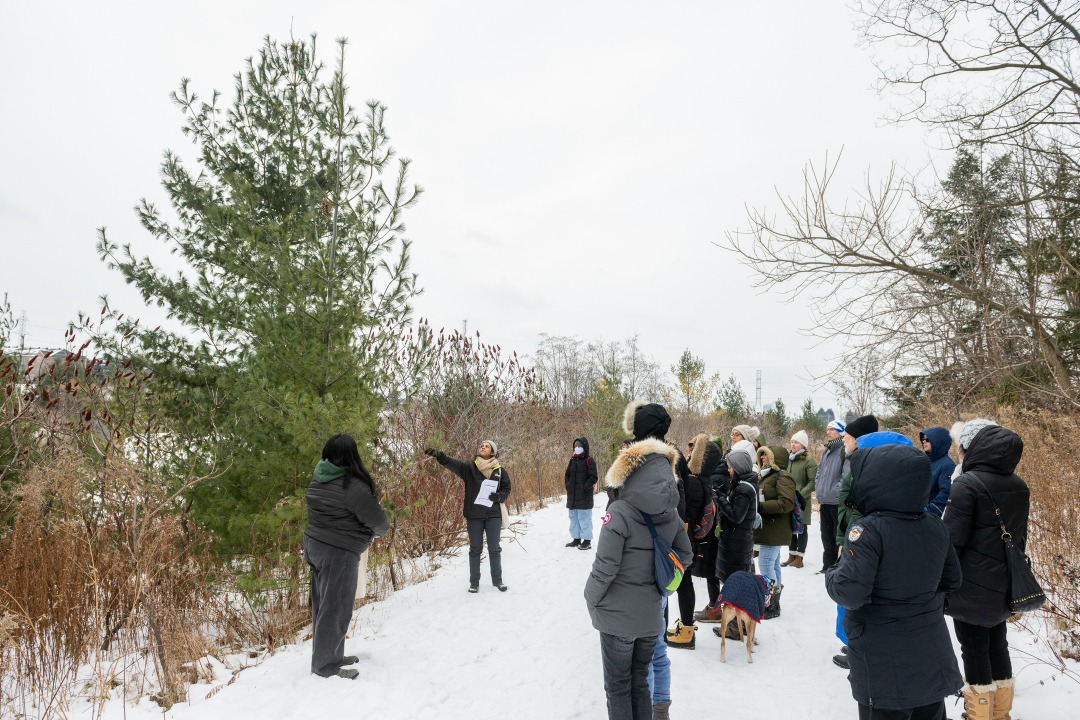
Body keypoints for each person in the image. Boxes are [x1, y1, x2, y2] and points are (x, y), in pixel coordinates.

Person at [826, 442, 963, 719]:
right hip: (930, 654)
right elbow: (953, 579)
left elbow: (849, 592)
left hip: (884, 660)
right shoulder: (934, 524)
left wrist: (832, 572)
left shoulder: (868, 530)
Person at [585, 400, 691, 720]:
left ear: (627, 474)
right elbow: (684, 554)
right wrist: (664, 588)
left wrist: (591, 599)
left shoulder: (619, 512)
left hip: (617, 617)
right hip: (650, 615)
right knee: (641, 685)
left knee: (618, 687)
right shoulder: (669, 512)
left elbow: (605, 566)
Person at [943, 420, 1029, 720]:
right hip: (1003, 581)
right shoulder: (1018, 484)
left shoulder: (966, 484)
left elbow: (950, 542)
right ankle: (1001, 713)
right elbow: (1020, 539)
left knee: (973, 648)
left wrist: (940, 581)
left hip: (970, 584)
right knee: (997, 644)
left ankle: (979, 715)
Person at [304, 434, 390, 679]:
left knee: (325, 606)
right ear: (353, 455)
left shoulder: (319, 477)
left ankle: (330, 656)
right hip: (337, 553)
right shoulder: (352, 487)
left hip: (314, 546)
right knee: (336, 608)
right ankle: (325, 667)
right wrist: (371, 532)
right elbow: (380, 524)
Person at [424, 440, 511, 593]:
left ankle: (498, 581)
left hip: (493, 515)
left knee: (494, 549)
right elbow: (451, 463)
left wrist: (499, 496)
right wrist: (438, 455)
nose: (482, 447)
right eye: (482, 445)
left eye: (486, 446)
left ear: (492, 452)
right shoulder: (469, 468)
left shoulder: (499, 470)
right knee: (475, 549)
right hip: (474, 515)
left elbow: (506, 488)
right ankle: (474, 583)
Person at [665, 433, 719, 650]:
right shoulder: (704, 481)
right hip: (692, 541)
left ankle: (686, 632)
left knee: (683, 585)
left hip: (683, 540)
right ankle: (686, 626)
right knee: (684, 584)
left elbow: (683, 512)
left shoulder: (694, 484)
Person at [754, 445, 796, 619]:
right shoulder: (766, 475)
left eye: (766, 455)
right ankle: (774, 601)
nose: (763, 458)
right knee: (773, 565)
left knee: (765, 566)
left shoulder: (783, 477)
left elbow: (786, 503)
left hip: (774, 529)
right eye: (761, 455)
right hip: (768, 528)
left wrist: (760, 506)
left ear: (775, 459)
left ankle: (769, 602)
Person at [816, 419, 846, 574]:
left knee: (836, 536)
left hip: (836, 503)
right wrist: (819, 489)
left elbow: (846, 476)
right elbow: (819, 473)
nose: (828, 432)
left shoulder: (844, 450)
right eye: (827, 429)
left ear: (840, 432)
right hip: (824, 502)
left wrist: (834, 493)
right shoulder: (826, 451)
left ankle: (836, 566)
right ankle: (827, 565)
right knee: (825, 535)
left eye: (832, 429)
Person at [783, 429, 817, 568]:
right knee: (790, 527)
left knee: (801, 529)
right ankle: (791, 555)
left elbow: (812, 482)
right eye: (792, 442)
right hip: (789, 499)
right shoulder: (789, 459)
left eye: (796, 442)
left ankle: (800, 557)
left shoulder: (809, 461)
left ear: (803, 445)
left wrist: (800, 495)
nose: (793, 444)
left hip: (802, 501)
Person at [565, 437, 598, 549]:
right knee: (573, 519)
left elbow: (593, 477)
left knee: (584, 519)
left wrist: (585, 487)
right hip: (573, 497)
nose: (577, 448)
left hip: (584, 497)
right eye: (576, 446)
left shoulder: (589, 460)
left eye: (579, 446)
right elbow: (567, 475)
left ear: (585, 447)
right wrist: (568, 485)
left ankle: (587, 541)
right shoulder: (573, 460)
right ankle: (576, 539)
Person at [919, 426, 955, 517]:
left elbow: (946, 493)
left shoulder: (947, 465)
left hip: (932, 516)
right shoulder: (926, 461)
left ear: (938, 442)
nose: (924, 441)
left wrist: (929, 510)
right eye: (922, 439)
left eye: (927, 439)